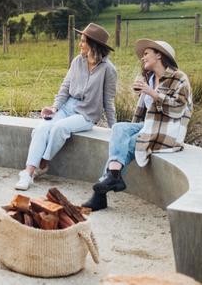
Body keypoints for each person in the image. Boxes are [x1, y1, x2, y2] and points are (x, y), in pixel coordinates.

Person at [82, 39, 192, 211]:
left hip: (167, 133)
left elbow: (178, 109)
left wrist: (153, 94)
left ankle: (100, 194)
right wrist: (144, 94)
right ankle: (114, 176)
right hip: (147, 126)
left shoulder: (179, 78)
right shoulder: (149, 78)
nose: (143, 57)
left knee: (130, 143)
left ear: (159, 55)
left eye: (146, 53)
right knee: (119, 129)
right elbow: (142, 112)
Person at [15, 23, 117, 190]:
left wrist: (114, 129)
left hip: (87, 114)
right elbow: (65, 87)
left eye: (83, 41)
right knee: (42, 128)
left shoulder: (109, 70)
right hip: (67, 107)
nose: (80, 44)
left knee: (59, 128)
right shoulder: (77, 61)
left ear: (93, 45)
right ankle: (28, 173)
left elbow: (109, 101)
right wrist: (55, 108)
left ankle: (43, 163)